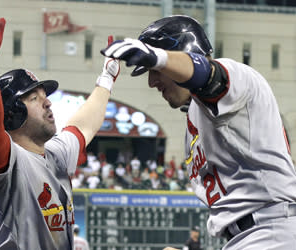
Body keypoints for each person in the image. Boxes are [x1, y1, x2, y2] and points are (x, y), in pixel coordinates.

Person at [101, 15, 296, 249]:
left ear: (184, 53)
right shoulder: (193, 120)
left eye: (155, 70)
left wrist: (159, 57)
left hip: (272, 228)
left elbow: (212, 77)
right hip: (246, 237)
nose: (152, 82)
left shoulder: (241, 75)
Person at [0, 2, 119, 249]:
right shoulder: (9, 163)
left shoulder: (55, 154)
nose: (47, 102)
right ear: (13, 113)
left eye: (44, 96)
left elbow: (83, 125)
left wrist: (107, 78)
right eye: (34, 98)